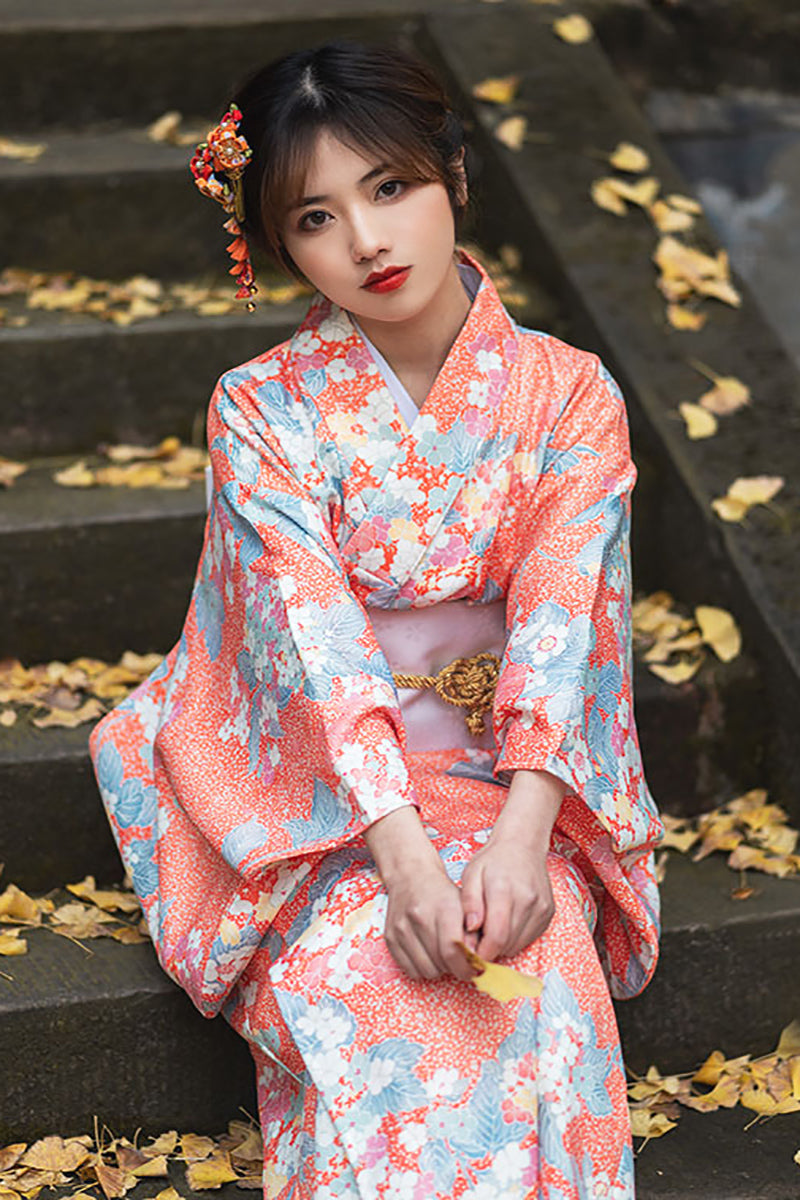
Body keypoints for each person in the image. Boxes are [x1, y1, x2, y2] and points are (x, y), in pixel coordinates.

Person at [89, 39, 663, 1199]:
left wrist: (519, 841)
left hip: (516, 782)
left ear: (454, 173)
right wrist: (399, 856)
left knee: (532, 978)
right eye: (315, 216)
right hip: (325, 801)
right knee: (381, 988)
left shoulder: (567, 393)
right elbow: (311, 642)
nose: (364, 240)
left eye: (389, 186)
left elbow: (564, 625)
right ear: (279, 243)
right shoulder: (262, 409)